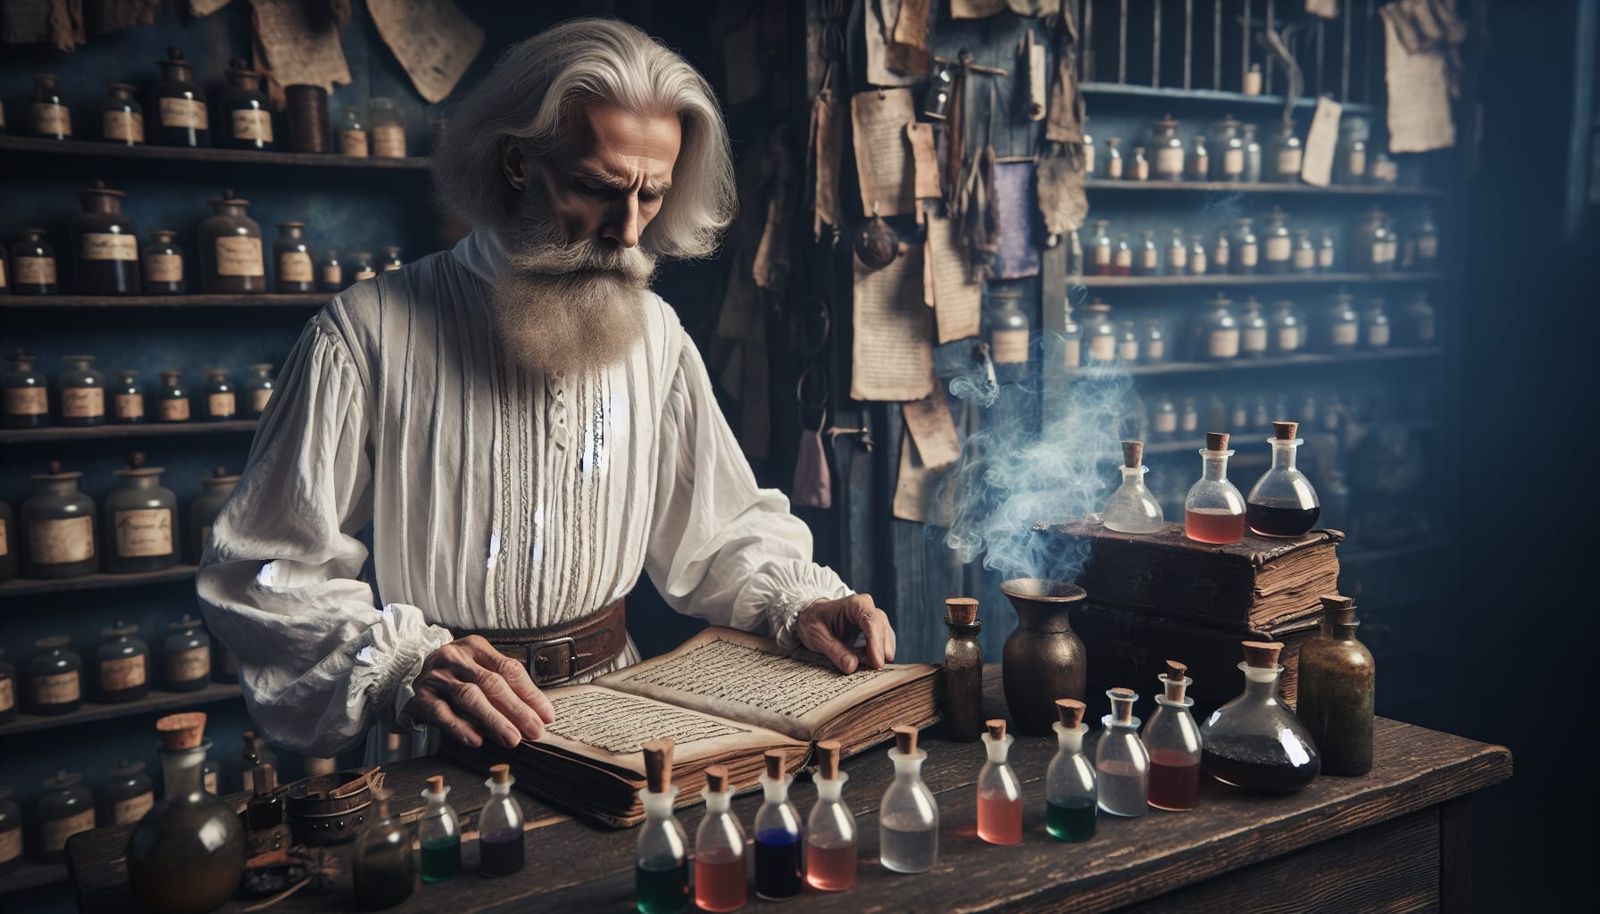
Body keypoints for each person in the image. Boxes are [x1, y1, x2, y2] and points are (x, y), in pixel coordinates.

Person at [197, 18, 895, 759]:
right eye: (598, 188)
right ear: (518, 162)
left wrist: (801, 599)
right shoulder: (367, 332)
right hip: (446, 733)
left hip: (612, 724)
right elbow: (264, 571)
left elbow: (717, 528)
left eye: (651, 197)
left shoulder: (656, 334)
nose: (628, 232)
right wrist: (405, 664)